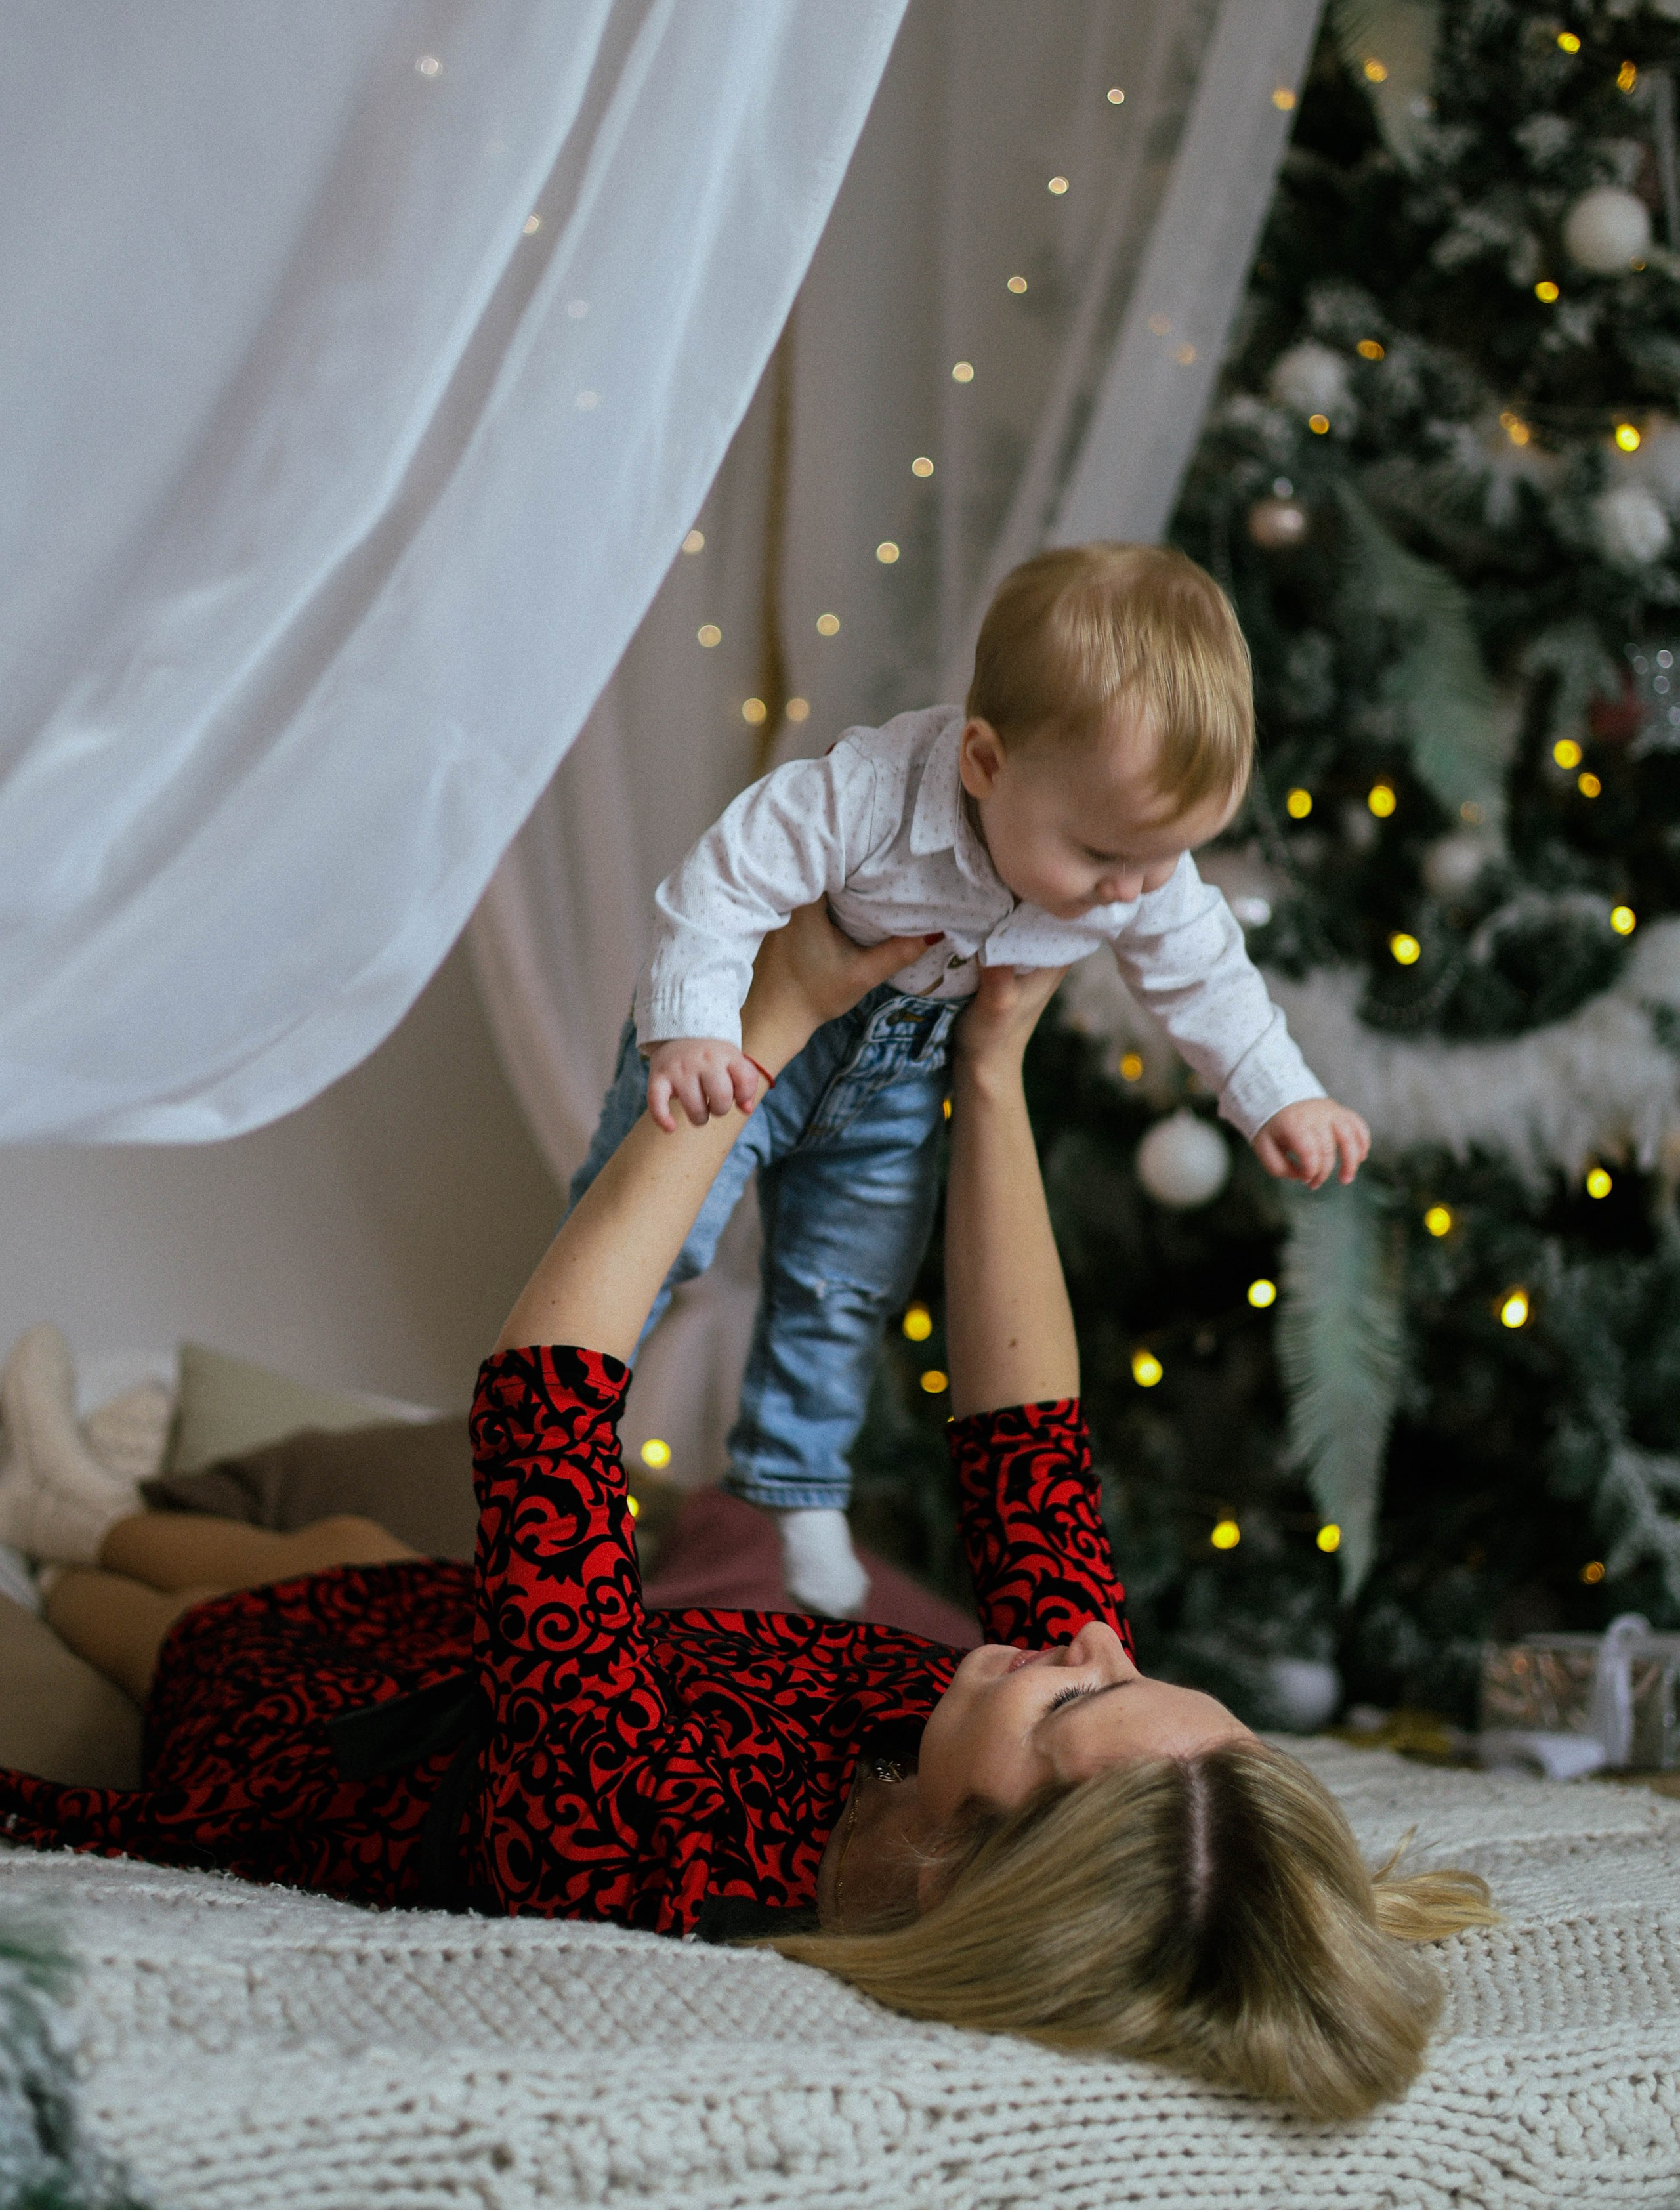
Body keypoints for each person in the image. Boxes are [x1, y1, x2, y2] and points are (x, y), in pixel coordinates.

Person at [0, 904, 1484, 2120]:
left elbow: (543, 1403)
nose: (1085, 1641)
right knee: (361, 1554)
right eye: (1138, 1675)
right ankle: (85, 1493)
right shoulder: (1039, 1738)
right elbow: (1021, 1427)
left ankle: (64, 1544)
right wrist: (993, 1060)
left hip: (318, 1743)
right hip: (475, 1642)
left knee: (191, 1624)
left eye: (1069, 1703)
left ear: (952, 1865)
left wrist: (756, 1030)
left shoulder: (644, 1837)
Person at [574, 543, 1372, 1617]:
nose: (1126, 892)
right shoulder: (863, 797)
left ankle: (793, 1487)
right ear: (986, 761)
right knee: (654, 1237)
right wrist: (691, 1031)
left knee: (844, 1282)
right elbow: (722, 882)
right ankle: (564, 1453)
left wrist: (1280, 1091)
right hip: (750, 1040)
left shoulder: (1135, 865)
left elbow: (1208, 973)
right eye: (1099, 858)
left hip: (899, 1073)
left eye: (1158, 863)